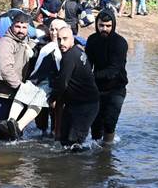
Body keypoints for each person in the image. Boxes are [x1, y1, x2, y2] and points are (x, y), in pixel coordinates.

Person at [0, 20, 68, 140]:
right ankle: (11, 121)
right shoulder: (42, 42)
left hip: (52, 84)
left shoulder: (68, 46)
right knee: (23, 92)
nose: (54, 32)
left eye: (57, 29)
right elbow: (35, 55)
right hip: (36, 79)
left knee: (41, 102)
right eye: (51, 29)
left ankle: (19, 126)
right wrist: (31, 53)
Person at [50, 27, 100, 150]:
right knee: (64, 141)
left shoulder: (69, 57)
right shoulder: (77, 51)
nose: (61, 43)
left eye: (65, 39)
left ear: (72, 39)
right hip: (76, 103)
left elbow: (62, 83)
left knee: (74, 143)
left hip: (86, 105)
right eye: (59, 39)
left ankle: (78, 166)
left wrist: (52, 98)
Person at [85, 8, 128, 145]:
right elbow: (88, 63)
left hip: (116, 88)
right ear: (96, 25)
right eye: (101, 25)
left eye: (108, 26)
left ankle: (106, 151)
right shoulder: (92, 40)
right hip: (97, 87)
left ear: (113, 25)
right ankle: (96, 150)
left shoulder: (120, 43)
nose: (104, 29)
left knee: (109, 122)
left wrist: (91, 76)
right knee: (95, 125)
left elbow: (114, 70)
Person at [0, 13, 34, 140]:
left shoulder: (27, 41)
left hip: (17, 95)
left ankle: (15, 159)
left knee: (16, 134)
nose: (20, 30)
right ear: (12, 25)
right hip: (1, 95)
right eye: (18, 26)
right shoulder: (5, 43)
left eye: (24, 27)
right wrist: (20, 87)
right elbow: (5, 69)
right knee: (2, 136)